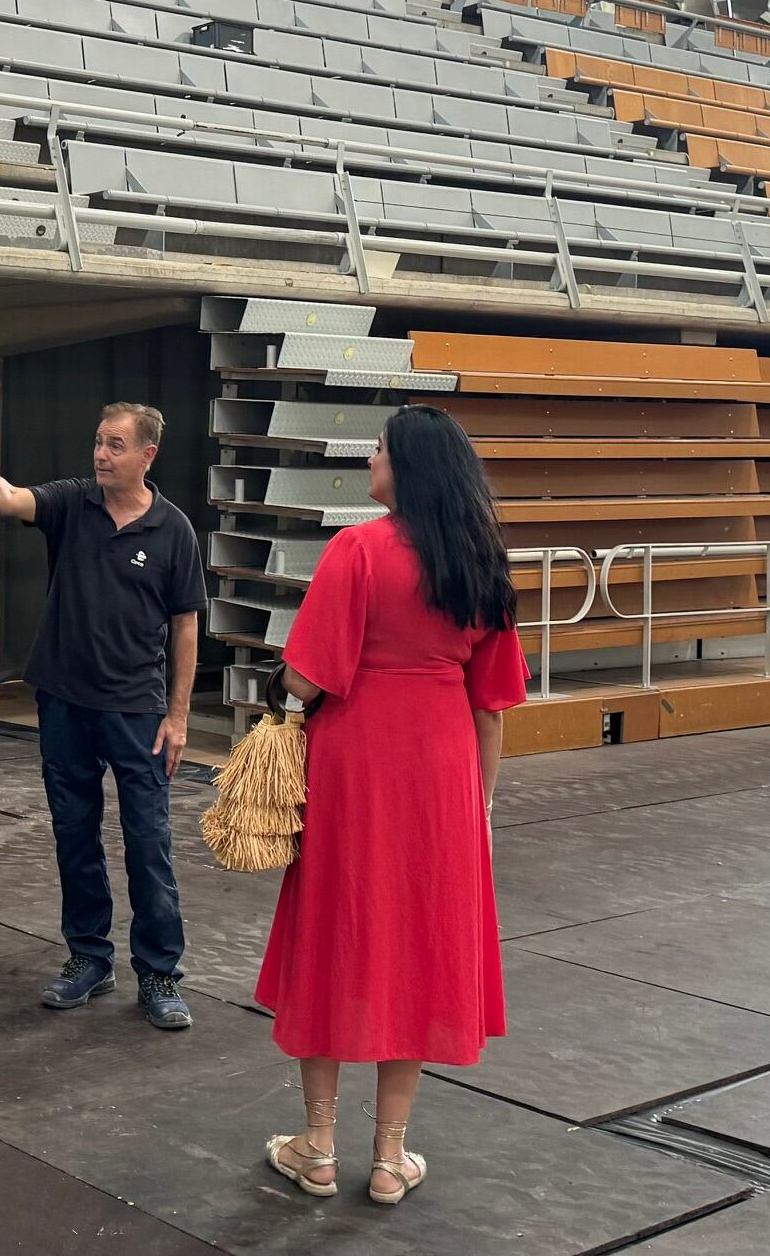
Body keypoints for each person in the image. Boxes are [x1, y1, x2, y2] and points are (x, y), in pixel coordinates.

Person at [256, 405, 525, 1205]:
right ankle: (389, 1158)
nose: (369, 460)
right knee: (417, 947)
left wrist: (276, 693)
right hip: (440, 770)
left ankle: (318, 1146)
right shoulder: (480, 560)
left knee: (335, 935)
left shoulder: (357, 550)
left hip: (355, 766)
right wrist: (479, 803)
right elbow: (493, 705)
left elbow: (307, 679)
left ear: (403, 466)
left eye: (375, 450)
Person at [0, 403, 204, 1031]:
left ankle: (159, 973)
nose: (102, 455)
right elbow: (12, 497)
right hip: (65, 704)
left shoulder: (173, 531)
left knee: (148, 843)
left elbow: (186, 625)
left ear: (147, 456)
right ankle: (89, 959)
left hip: (138, 711)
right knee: (74, 836)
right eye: (98, 443)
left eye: (116, 446)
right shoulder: (73, 503)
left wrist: (179, 715)